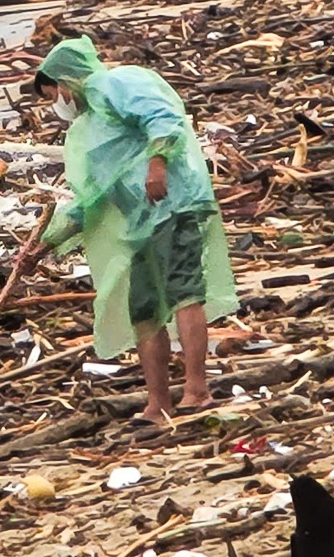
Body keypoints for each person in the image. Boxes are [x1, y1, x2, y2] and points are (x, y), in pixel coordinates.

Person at [33, 37, 236, 424]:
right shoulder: (88, 128)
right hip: (138, 224)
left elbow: (161, 118)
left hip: (173, 205)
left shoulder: (117, 84)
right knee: (144, 310)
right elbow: (92, 196)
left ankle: (197, 390)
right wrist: (45, 245)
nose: (56, 103)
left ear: (67, 79)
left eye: (53, 93)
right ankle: (157, 404)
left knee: (184, 293)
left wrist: (156, 164)